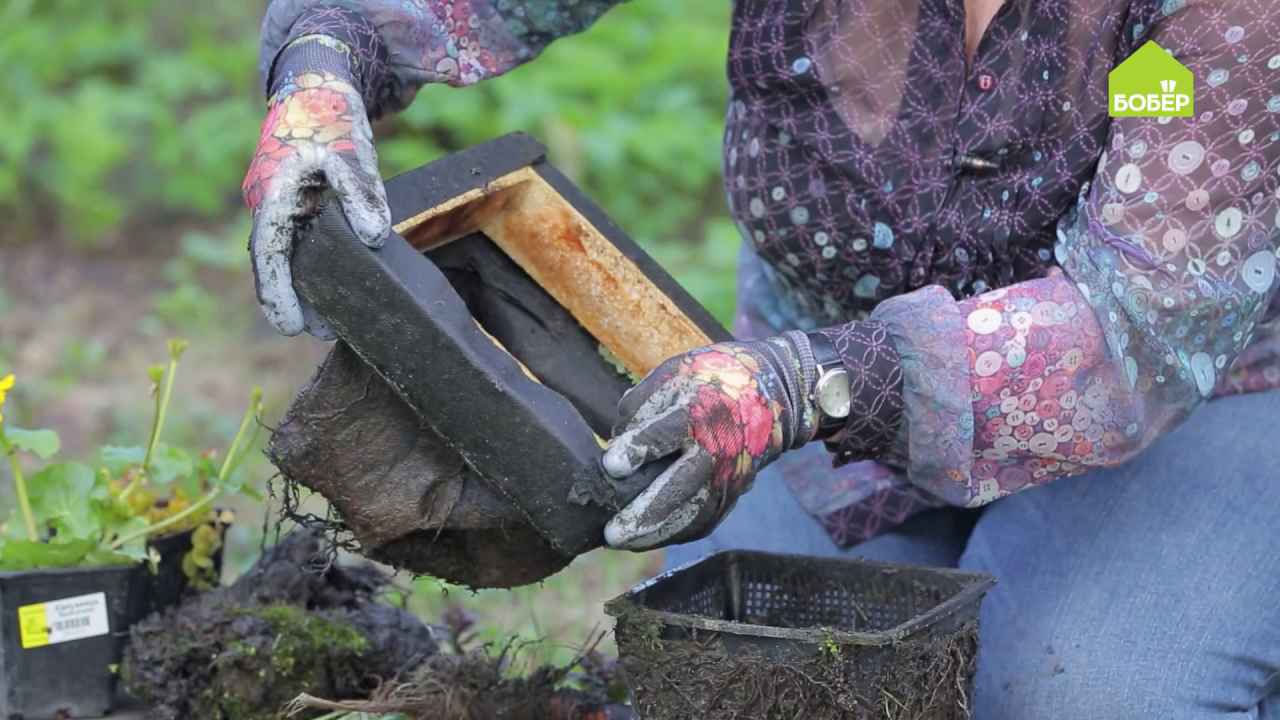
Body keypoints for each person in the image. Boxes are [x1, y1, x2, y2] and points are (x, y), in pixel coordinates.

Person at [243, 2, 1280, 717]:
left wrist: (806, 388)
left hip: (1189, 403)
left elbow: (1135, 326)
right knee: (735, 677)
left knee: (1077, 690)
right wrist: (324, 63)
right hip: (818, 397)